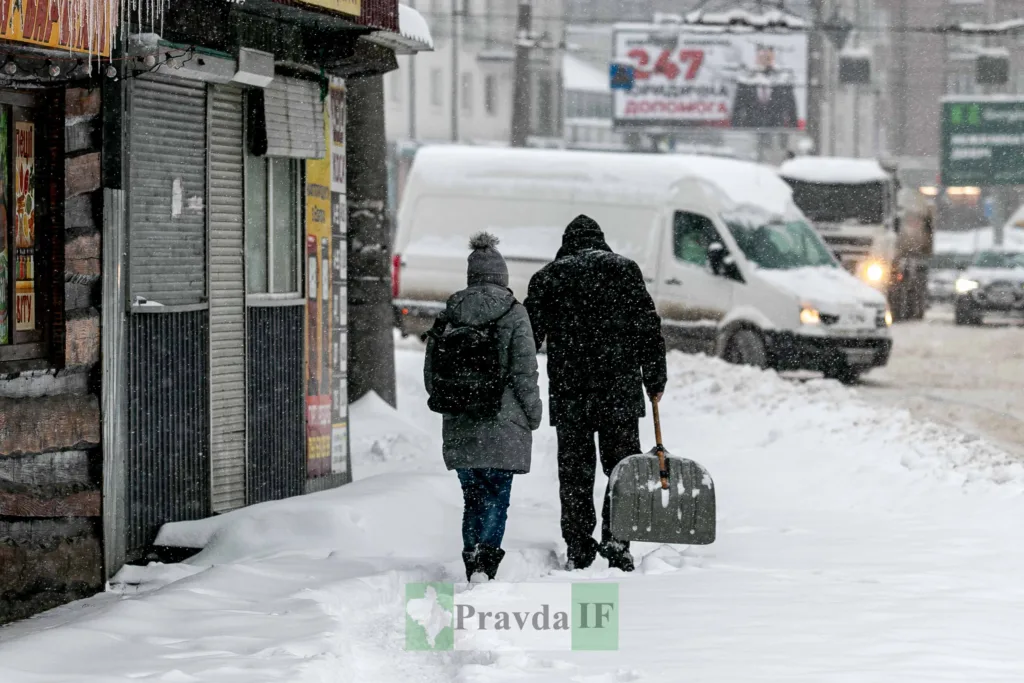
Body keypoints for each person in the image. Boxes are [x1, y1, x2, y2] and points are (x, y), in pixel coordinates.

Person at [525, 215, 667, 572]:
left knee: (575, 473)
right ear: (600, 241)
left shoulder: (548, 278)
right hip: (618, 390)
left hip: (571, 392)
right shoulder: (625, 271)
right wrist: (654, 378)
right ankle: (617, 541)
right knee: (623, 469)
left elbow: (529, 338)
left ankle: (578, 546)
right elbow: (648, 328)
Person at [424, 233, 543, 582]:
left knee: (472, 496)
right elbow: (524, 372)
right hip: (503, 420)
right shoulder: (515, 313)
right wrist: (532, 413)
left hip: (461, 420)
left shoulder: (449, 314)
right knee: (496, 495)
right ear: (502, 277)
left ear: (471, 276)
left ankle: (471, 556)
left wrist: (458, 397)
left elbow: (432, 375)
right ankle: (485, 560)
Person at [730, 45, 799, 129]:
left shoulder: (784, 81)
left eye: (768, 57)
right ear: (756, 57)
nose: (765, 60)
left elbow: (792, 113)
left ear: (773, 57)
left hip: (777, 131)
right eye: (762, 56)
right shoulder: (745, 81)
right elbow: (737, 113)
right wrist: (737, 132)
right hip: (751, 130)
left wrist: (792, 131)